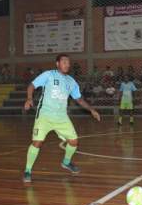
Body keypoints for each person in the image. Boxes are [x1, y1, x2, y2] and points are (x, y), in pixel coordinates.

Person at [23, 54, 101, 183]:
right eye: (64, 62)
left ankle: (66, 162)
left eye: (68, 62)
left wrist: (91, 109)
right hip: (45, 116)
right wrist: (29, 98)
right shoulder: (49, 75)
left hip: (62, 117)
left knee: (74, 141)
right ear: (57, 63)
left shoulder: (71, 81)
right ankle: (27, 170)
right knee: (37, 143)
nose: (67, 64)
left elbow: (79, 99)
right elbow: (31, 85)